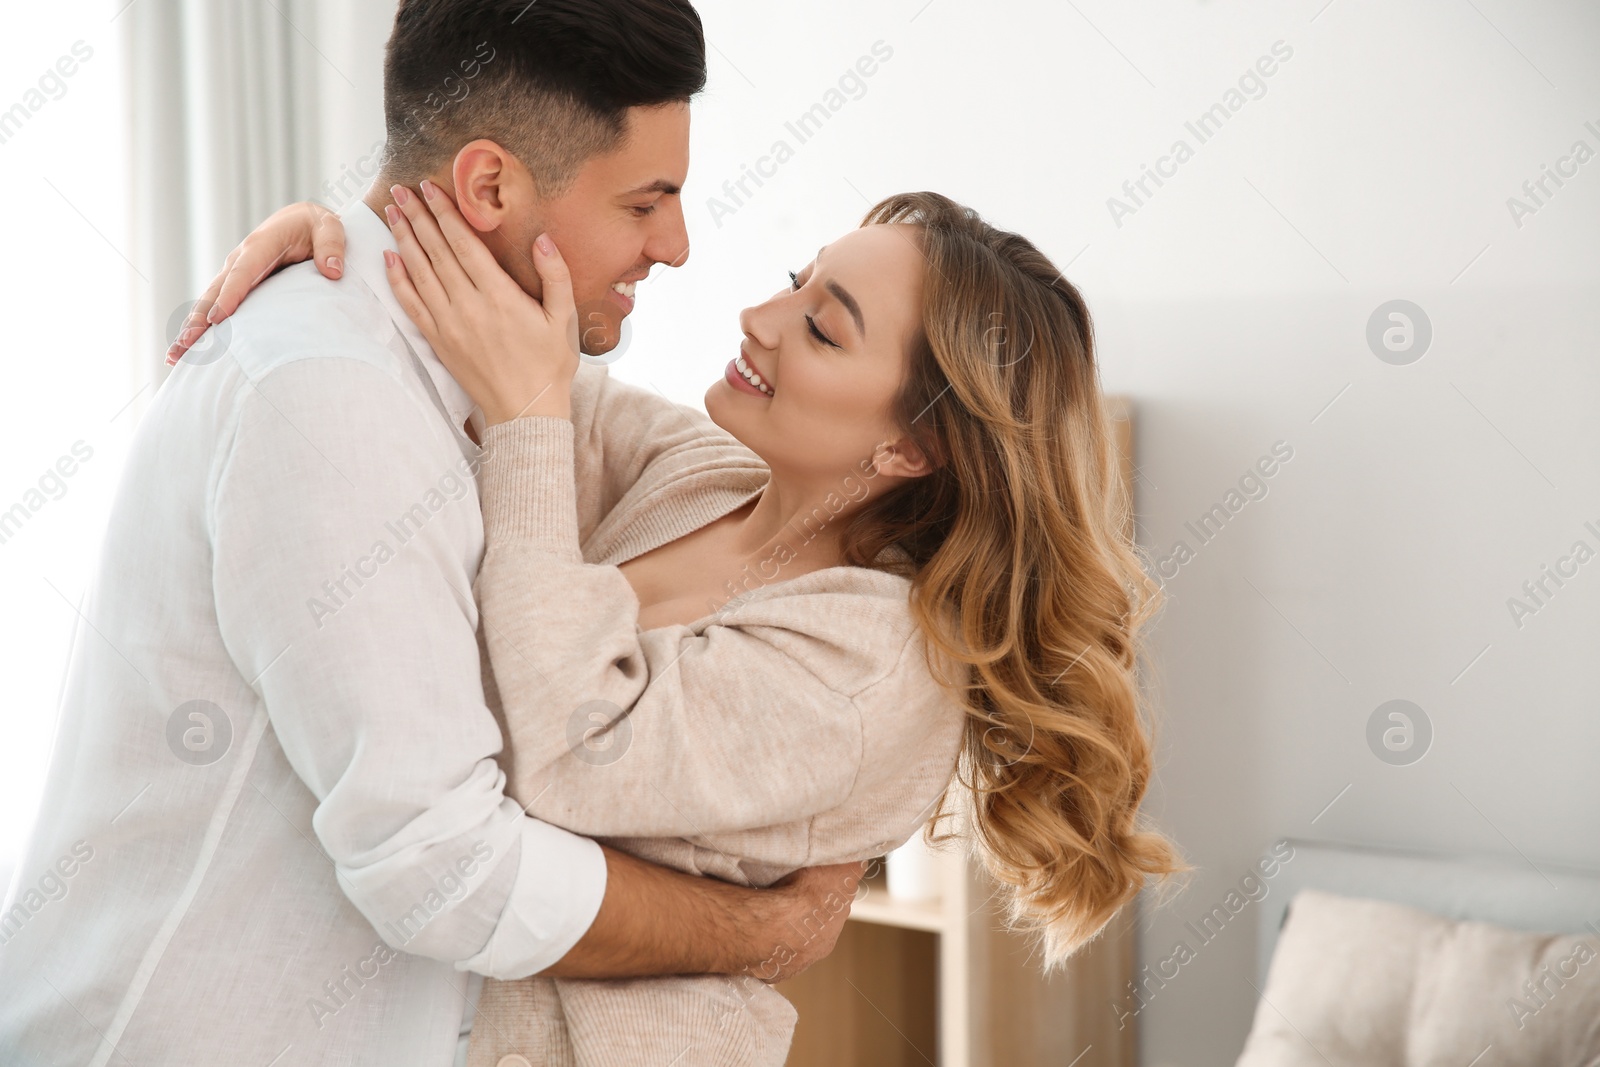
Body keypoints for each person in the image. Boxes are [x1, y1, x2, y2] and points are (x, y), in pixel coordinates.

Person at [0, 4, 865, 1067]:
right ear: (490, 187)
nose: (675, 246)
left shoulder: (455, 370)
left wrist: (359, 227)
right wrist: (762, 932)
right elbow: (442, 867)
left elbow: (573, 423)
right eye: (646, 201)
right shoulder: (330, 399)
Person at [174, 181, 1189, 1065]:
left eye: (824, 325)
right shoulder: (711, 478)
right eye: (797, 277)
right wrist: (343, 259)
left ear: (912, 449)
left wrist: (530, 420)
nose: (759, 313)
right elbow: (502, 359)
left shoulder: (875, 663)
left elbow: (573, 747)